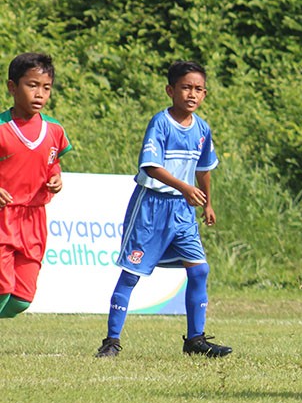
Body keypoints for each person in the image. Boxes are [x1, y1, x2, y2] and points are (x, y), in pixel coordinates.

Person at [94, 60, 231, 358]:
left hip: (182, 212)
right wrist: (184, 188)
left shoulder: (203, 129)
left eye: (198, 89)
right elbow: (152, 167)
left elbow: (204, 168)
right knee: (131, 274)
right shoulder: (161, 123)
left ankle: (195, 340)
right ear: (171, 90)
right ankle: (112, 341)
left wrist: (208, 203)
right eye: (186, 88)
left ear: (205, 94)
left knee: (199, 270)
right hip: (151, 208)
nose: (192, 94)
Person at [0, 53, 72, 318]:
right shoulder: (2, 127)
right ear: (12, 87)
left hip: (34, 218)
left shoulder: (54, 129)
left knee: (21, 299)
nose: (39, 93)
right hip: (3, 217)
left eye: (46, 87)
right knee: (2, 288)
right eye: (32, 85)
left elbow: (51, 161)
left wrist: (56, 177)